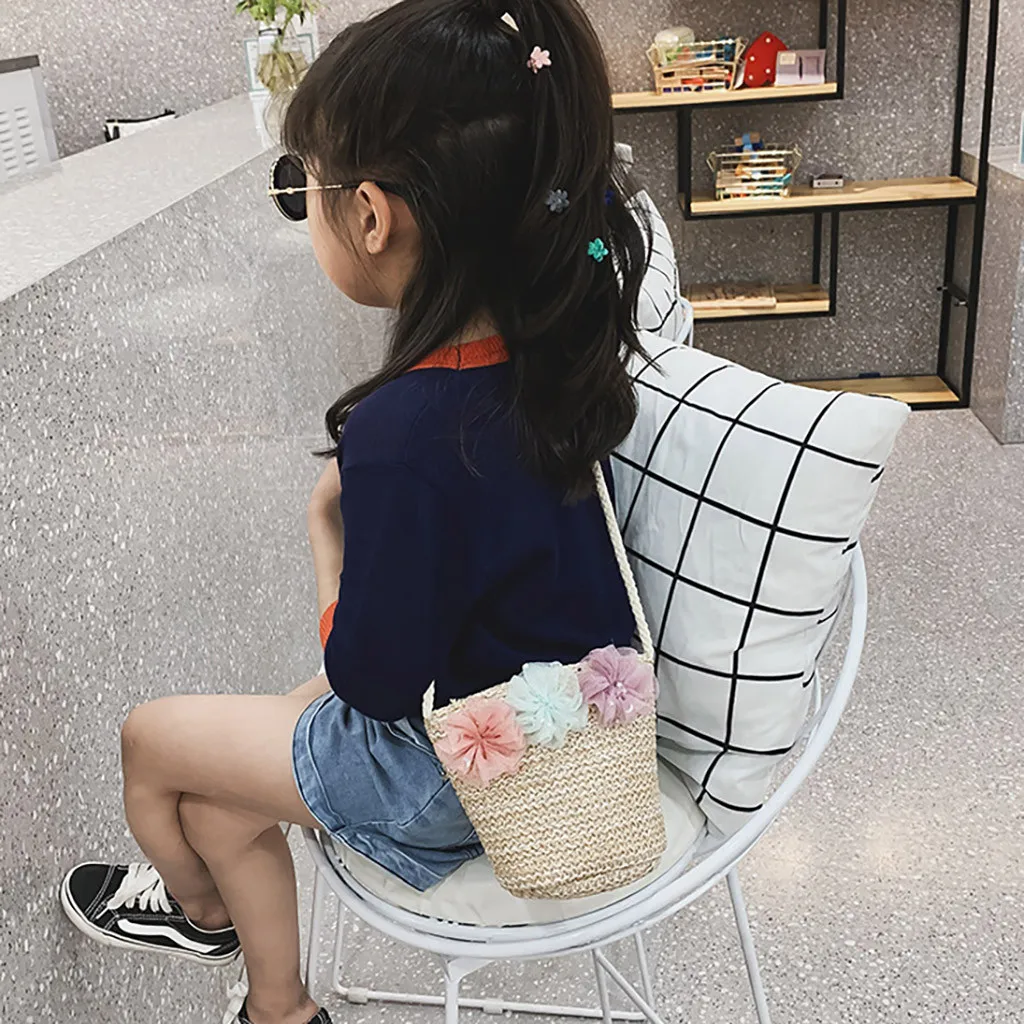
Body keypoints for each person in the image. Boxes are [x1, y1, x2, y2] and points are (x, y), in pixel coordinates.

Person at [59, 0, 651, 1020]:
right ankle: (278, 1008)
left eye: (308, 190)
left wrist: (325, 537)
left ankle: (198, 913)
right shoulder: (552, 353)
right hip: (549, 719)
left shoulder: (407, 432)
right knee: (216, 804)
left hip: (454, 776)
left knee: (149, 741)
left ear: (371, 216)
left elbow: (369, 680)